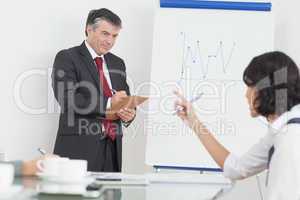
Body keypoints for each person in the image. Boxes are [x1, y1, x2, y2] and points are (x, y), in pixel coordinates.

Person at [174, 51, 300, 199]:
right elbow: (236, 168)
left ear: (266, 90)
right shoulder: (281, 132)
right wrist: (194, 122)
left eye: (250, 87)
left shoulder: (290, 139)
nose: (246, 95)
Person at [52, 8, 136, 172]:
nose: (110, 41)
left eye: (115, 36)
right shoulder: (67, 57)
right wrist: (110, 103)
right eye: (105, 33)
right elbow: (68, 99)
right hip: (78, 150)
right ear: (89, 29)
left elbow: (125, 99)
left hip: (112, 149)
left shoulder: (118, 63)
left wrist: (129, 113)